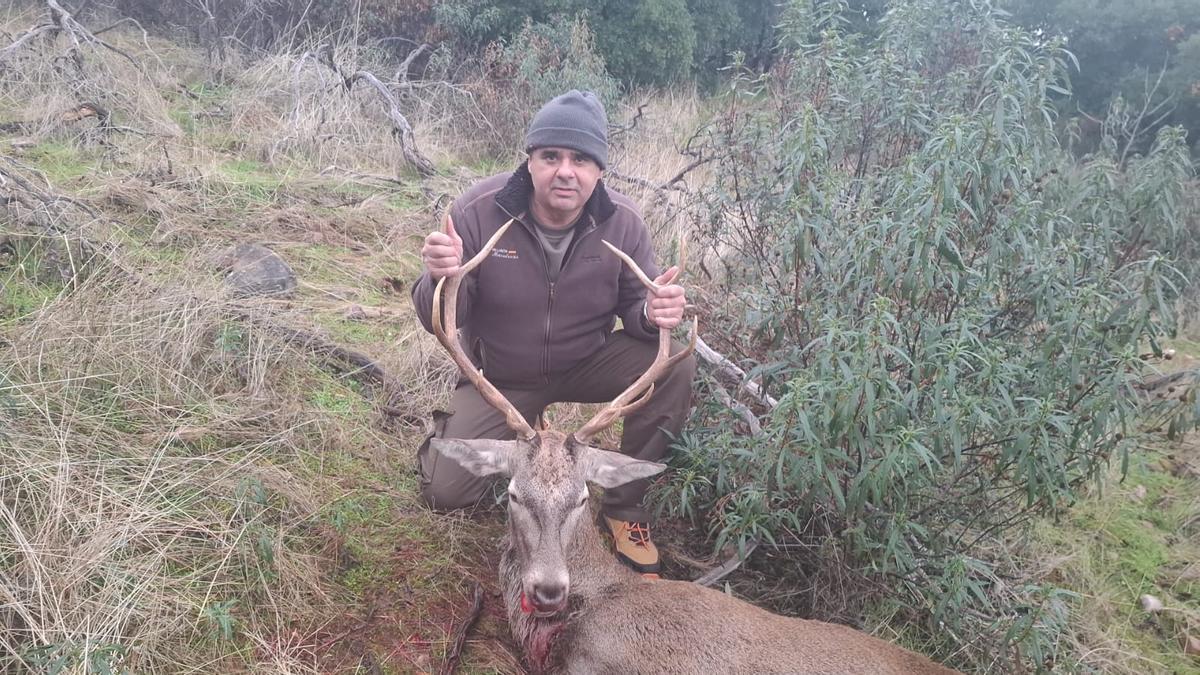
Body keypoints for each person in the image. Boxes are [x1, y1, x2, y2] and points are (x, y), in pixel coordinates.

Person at [410, 90, 695, 576]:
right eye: (551, 156)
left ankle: (625, 507)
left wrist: (653, 312)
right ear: (530, 161)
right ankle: (514, 446)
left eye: (580, 159)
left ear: (599, 170)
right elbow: (440, 319)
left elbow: (637, 310)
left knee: (676, 363)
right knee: (445, 492)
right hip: (501, 379)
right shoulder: (478, 211)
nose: (565, 171)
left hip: (585, 363)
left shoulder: (622, 223)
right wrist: (439, 278)